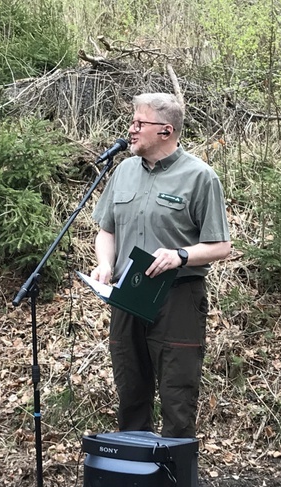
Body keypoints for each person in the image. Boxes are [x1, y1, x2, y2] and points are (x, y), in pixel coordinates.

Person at [90, 92, 231, 438]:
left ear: (166, 131)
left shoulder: (200, 177)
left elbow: (221, 246)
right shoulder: (122, 172)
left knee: (177, 397)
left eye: (140, 123)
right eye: (132, 121)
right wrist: (105, 264)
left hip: (177, 297)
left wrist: (179, 255)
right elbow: (105, 230)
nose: (131, 130)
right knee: (130, 394)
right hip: (127, 295)